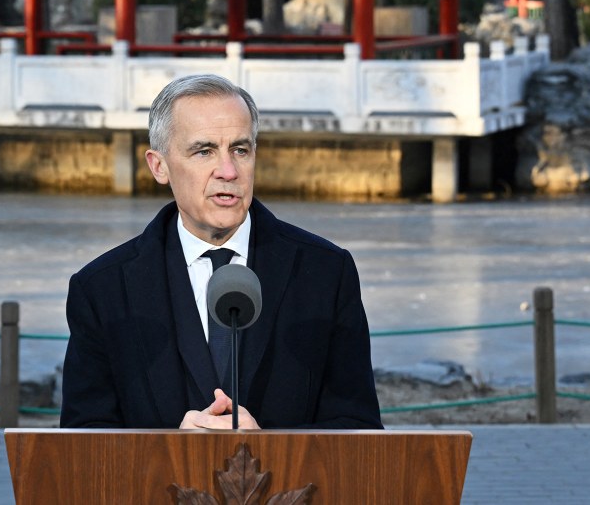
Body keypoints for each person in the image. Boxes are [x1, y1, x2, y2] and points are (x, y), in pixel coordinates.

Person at [60, 74, 383, 430]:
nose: (228, 171)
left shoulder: (326, 273)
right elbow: (83, 444)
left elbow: (359, 432)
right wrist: (171, 450)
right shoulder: (102, 289)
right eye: (204, 151)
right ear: (159, 166)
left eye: (240, 150)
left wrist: (269, 448)